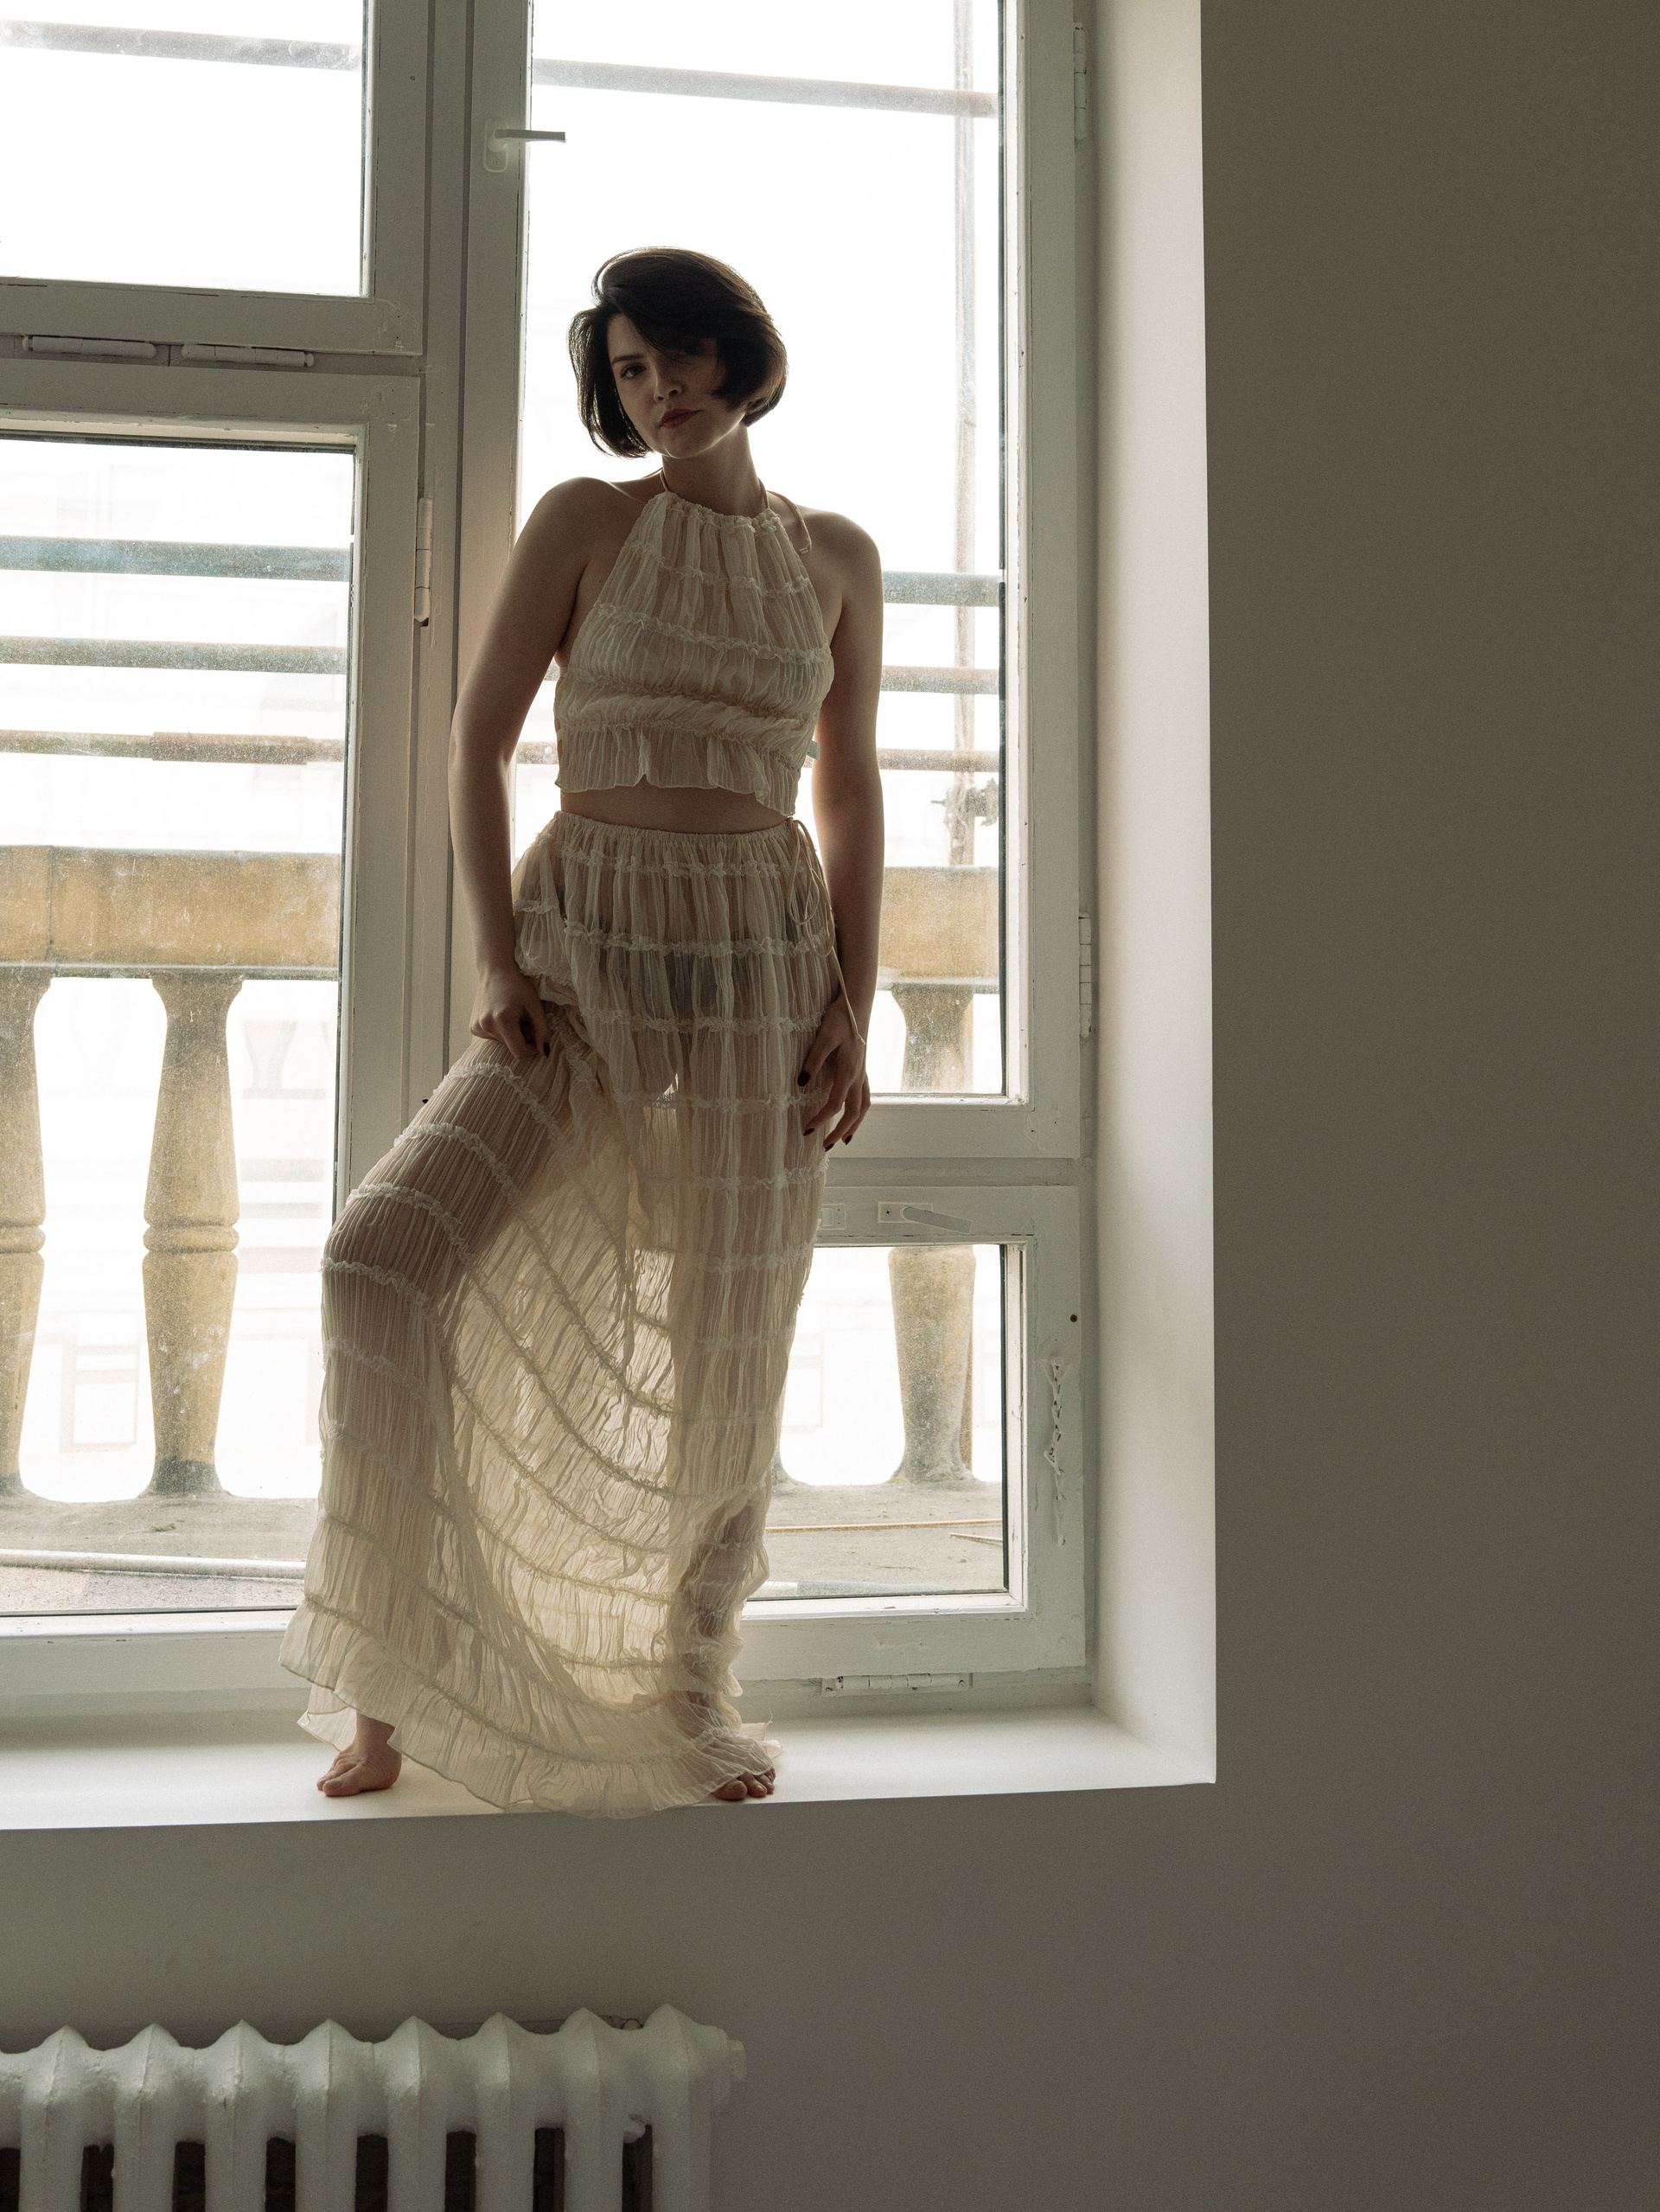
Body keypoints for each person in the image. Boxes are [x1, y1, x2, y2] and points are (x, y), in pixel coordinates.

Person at [278, 246, 884, 1816]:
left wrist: (855, 994)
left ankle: (690, 1681)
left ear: (740, 355)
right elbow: (478, 740)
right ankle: (391, 1682)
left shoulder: (836, 557)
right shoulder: (585, 523)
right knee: (382, 1260)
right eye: (628, 370)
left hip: (764, 954)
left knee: (731, 1331)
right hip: (583, 940)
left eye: (678, 355)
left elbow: (850, 788)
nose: (657, 388)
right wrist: (499, 957)